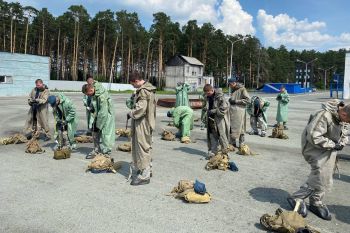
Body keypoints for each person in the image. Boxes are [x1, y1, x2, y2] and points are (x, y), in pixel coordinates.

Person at [287, 100, 350, 221]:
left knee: (327, 174)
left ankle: (316, 200)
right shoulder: (324, 115)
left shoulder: (344, 116)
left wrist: (342, 143)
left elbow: (345, 133)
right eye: (348, 121)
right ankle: (297, 197)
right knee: (320, 174)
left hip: (329, 148)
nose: (347, 123)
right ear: (344, 115)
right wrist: (332, 144)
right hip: (314, 147)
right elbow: (313, 136)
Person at [127, 72, 156, 186]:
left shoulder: (143, 91)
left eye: (132, 84)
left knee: (142, 147)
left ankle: (145, 175)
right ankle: (147, 169)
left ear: (136, 81)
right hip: (146, 122)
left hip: (142, 123)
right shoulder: (149, 89)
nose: (133, 86)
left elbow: (141, 109)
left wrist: (131, 113)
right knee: (146, 146)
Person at [82, 81, 115, 158]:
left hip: (106, 118)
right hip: (99, 115)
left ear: (90, 90)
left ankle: (106, 153)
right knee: (94, 131)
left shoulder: (101, 96)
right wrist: (92, 109)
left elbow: (103, 113)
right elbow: (97, 107)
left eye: (87, 94)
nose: (87, 96)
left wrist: (98, 125)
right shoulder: (95, 93)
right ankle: (97, 149)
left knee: (106, 135)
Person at [203, 84, 230, 157]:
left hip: (219, 120)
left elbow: (224, 108)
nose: (207, 94)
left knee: (221, 135)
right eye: (206, 93)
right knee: (212, 135)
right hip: (210, 119)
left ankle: (225, 152)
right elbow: (205, 106)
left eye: (208, 93)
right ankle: (214, 152)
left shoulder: (220, 97)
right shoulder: (207, 97)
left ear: (212, 90)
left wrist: (214, 111)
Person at [228, 78, 250, 148]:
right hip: (233, 111)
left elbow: (248, 100)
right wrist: (230, 100)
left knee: (241, 127)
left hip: (239, 111)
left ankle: (241, 144)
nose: (229, 86)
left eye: (230, 84)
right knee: (232, 127)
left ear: (234, 83)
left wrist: (235, 101)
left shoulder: (242, 89)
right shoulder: (233, 89)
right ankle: (232, 143)